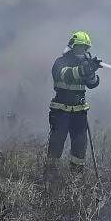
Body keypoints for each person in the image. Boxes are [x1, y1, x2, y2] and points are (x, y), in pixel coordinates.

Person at [46, 30, 102, 174]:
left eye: (84, 48)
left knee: (79, 146)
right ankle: (50, 177)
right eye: (78, 47)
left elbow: (93, 84)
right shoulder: (60, 62)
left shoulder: (85, 64)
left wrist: (91, 72)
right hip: (60, 112)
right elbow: (66, 75)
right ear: (72, 46)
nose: (81, 50)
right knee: (56, 144)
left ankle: (75, 179)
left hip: (79, 113)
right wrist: (84, 69)